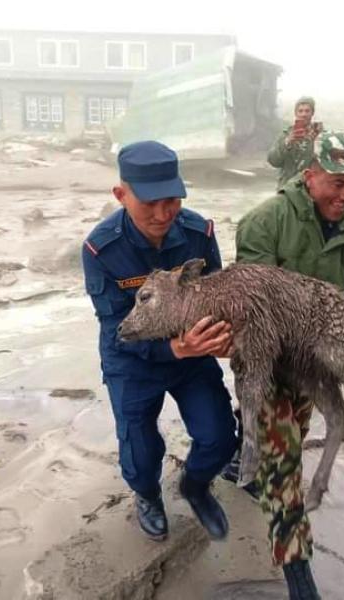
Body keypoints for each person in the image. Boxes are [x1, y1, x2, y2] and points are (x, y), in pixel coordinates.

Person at [235, 131, 344, 599]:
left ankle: (245, 457)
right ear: (310, 173)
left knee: (290, 433)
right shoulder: (265, 222)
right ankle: (301, 583)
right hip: (270, 363)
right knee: (286, 465)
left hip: (318, 368)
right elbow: (253, 312)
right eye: (338, 183)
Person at [82, 140, 237, 543]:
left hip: (191, 354)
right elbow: (117, 325)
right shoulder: (102, 248)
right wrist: (170, 348)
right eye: (149, 202)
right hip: (133, 359)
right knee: (140, 447)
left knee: (220, 435)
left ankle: (196, 484)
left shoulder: (198, 233)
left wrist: (221, 338)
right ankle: (148, 495)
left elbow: (216, 294)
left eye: (171, 200)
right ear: (121, 194)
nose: (162, 213)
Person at [267, 96, 323, 190]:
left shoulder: (319, 135)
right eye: (300, 111)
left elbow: (327, 163)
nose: (303, 114)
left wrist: (317, 141)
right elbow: (273, 161)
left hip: (311, 188)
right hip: (288, 188)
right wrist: (287, 143)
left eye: (307, 111)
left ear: (312, 113)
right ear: (295, 113)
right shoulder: (286, 134)